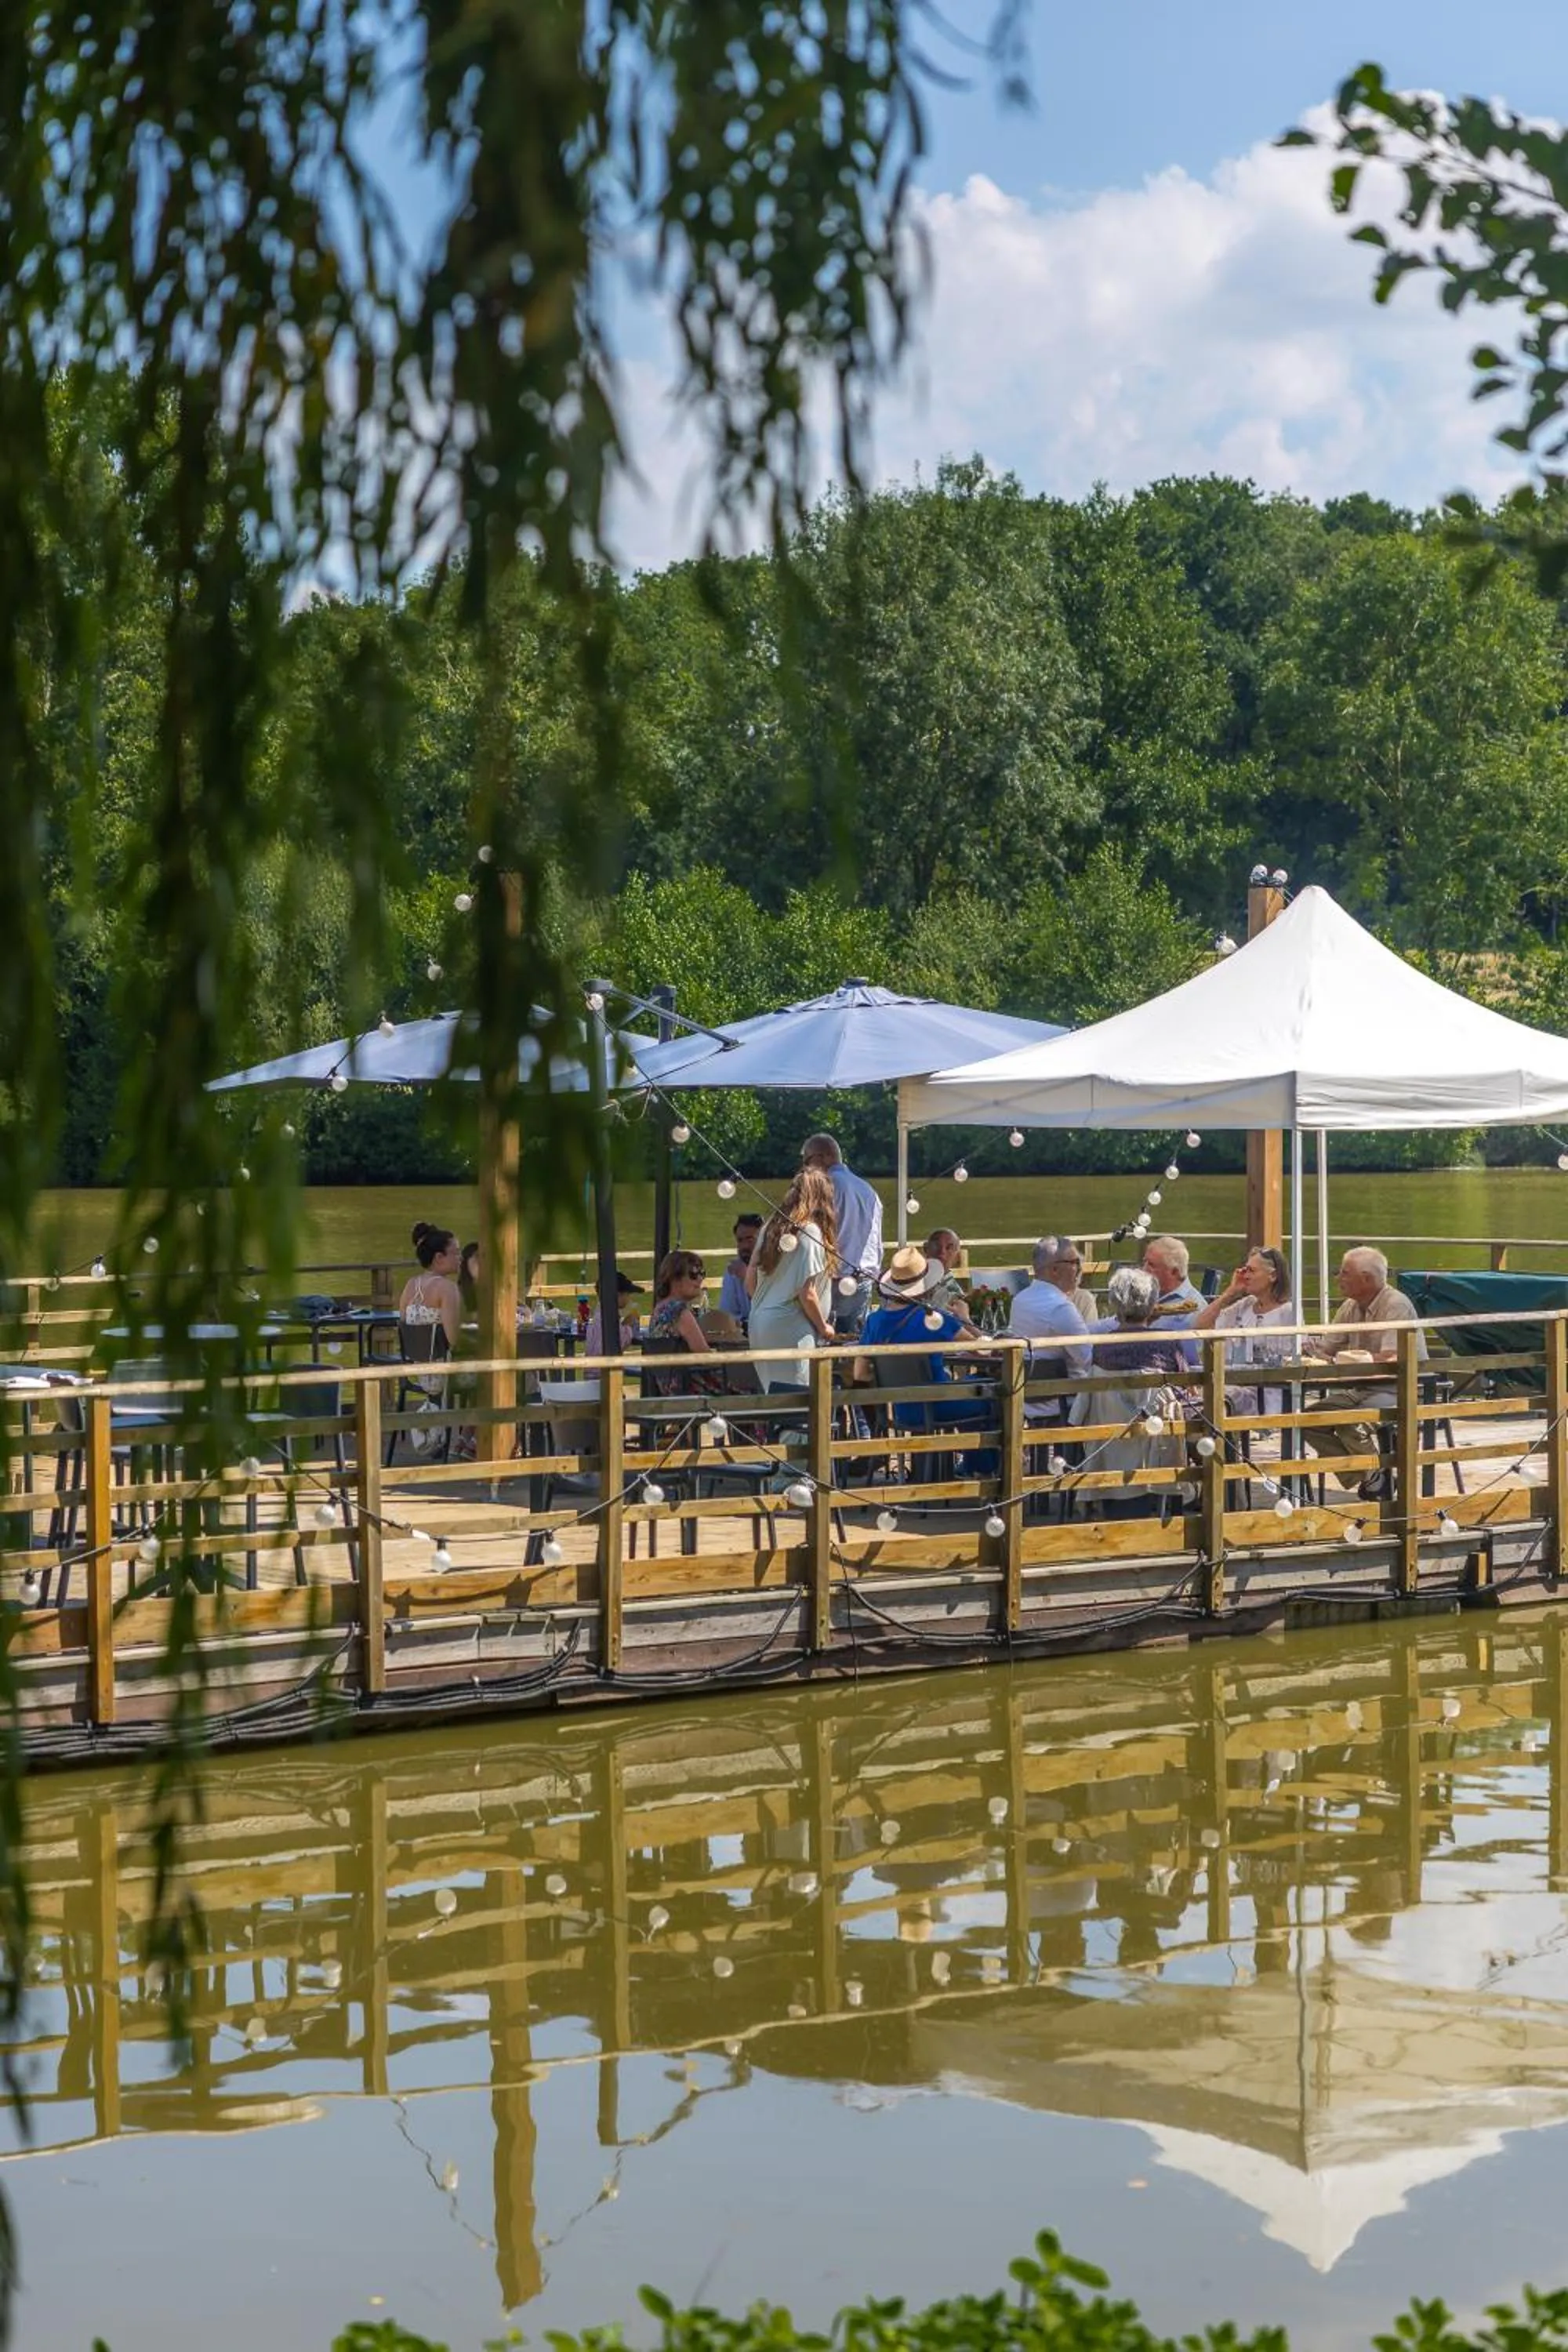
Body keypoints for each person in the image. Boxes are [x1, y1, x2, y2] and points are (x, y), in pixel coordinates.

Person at [1305, 1246, 1427, 1497]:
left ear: (1367, 1279)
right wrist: (1311, 1350)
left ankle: (1373, 1478)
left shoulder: (1396, 1305)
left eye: (1344, 1273)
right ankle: (1372, 1476)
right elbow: (1327, 1346)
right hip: (1361, 1388)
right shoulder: (1350, 1306)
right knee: (1308, 1421)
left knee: (1350, 1421)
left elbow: (1392, 1358)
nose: (1338, 1278)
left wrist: (1339, 1360)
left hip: (1399, 1390)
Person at [1075, 1266, 1191, 1516]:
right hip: (1156, 1446)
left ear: (1115, 1305)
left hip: (1110, 1446)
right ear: (1152, 1305)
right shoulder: (1166, 1343)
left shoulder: (1102, 1348)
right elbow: (1185, 1387)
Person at [862, 1245, 990, 1437]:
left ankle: (963, 1455)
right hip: (939, 1404)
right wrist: (965, 1318)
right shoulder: (934, 1319)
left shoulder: (873, 1321)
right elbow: (983, 1350)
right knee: (990, 1393)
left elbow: (861, 1373)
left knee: (974, 1388)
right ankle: (983, 1457)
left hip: (901, 1411)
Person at [746, 1167, 838, 1390]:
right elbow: (807, 1293)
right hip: (790, 1328)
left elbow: (749, 1281)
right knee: (800, 1399)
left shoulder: (770, 1227)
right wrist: (824, 1327)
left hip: (760, 1323)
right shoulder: (810, 1231)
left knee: (774, 1397)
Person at [1192, 1247, 1294, 1413]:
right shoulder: (1246, 1305)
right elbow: (1201, 1326)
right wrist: (1231, 1292)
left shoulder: (1289, 1312)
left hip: (1268, 1391)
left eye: (1252, 1271)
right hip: (1234, 1384)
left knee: (1218, 1400)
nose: (1246, 1276)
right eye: (1245, 1270)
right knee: (1199, 1398)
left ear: (1273, 1276)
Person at [800, 1132, 882, 1334]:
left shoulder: (825, 1185)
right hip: (864, 1280)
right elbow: (876, 1242)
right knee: (854, 1344)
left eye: (808, 1161)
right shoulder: (868, 1189)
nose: (805, 1168)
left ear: (825, 1157)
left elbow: (813, 1232)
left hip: (834, 1281)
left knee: (823, 1342)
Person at [1007, 1238, 1091, 1423]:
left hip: (1029, 1404)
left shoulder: (1019, 1300)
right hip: (1068, 1407)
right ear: (1054, 1270)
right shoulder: (1060, 1308)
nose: (1079, 1269)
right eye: (1074, 1263)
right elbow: (1090, 1360)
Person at [643, 1250, 719, 1392]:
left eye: (702, 1273)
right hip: (690, 1388)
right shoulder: (679, 1312)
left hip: (668, 1388)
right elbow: (704, 1355)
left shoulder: (659, 1309)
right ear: (674, 1279)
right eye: (693, 1274)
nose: (700, 1279)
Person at [400, 1223, 463, 1362]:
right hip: (443, 1366)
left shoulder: (411, 1285)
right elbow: (454, 1339)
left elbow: (404, 1327)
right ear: (439, 1257)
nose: (460, 1257)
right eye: (456, 1253)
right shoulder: (447, 1288)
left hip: (417, 1366)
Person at [924, 1229, 980, 1334]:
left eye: (949, 1248)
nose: (942, 1252)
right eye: (937, 1246)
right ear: (926, 1249)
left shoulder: (954, 1295)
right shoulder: (910, 1282)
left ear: (957, 1255)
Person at [1142, 1235, 1204, 1327]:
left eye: (1151, 1265)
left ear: (1174, 1272)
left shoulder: (1194, 1311)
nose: (1144, 1270)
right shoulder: (1142, 1295)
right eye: (1144, 1262)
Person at [718, 1213, 764, 1323]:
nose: (744, 1246)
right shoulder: (733, 1270)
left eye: (750, 1239)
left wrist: (746, 1277)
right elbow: (727, 1315)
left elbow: (770, 1311)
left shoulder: (776, 1267)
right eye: (740, 1240)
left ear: (764, 1240)